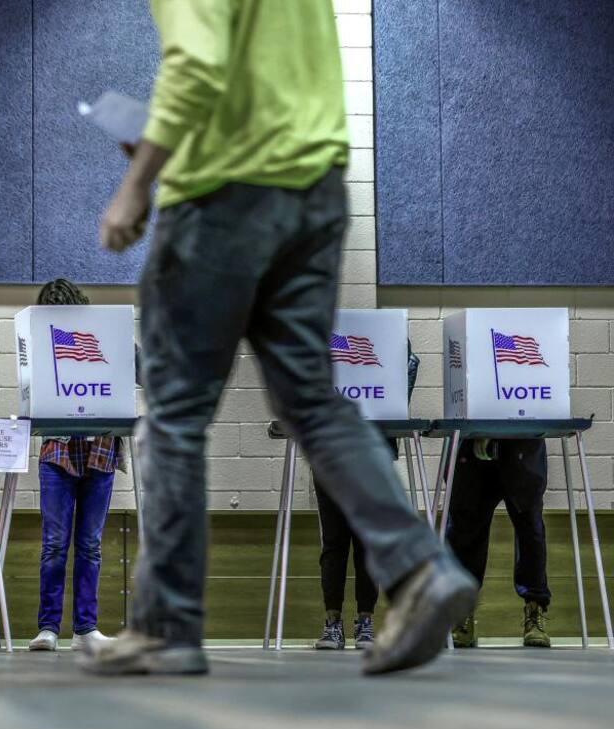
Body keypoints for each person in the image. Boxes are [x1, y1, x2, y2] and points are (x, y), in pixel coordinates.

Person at [87, 0, 477, 676]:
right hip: (316, 190)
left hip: (223, 195)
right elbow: (264, 74)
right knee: (311, 400)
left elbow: (197, 66)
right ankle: (420, 568)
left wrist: (135, 182)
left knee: (175, 411)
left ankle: (166, 624)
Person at [28, 279, 122, 654]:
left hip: (99, 449)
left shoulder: (105, 337)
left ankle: (85, 627)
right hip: (58, 452)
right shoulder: (39, 343)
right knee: (54, 544)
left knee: (90, 545)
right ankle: (48, 626)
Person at [314, 345, 420, 651]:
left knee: (365, 543)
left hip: (372, 452)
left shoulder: (395, 352)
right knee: (335, 541)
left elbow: (399, 397)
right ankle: (333, 621)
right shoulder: (321, 352)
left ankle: (365, 621)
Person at [445, 438, 552, 648]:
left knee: (531, 530)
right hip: (472, 439)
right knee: (465, 531)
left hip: (521, 441)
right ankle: (462, 615)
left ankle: (535, 610)